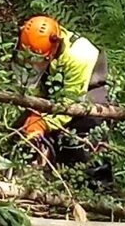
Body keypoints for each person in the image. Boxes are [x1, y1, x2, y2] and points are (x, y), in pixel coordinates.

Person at [16, 14, 114, 184]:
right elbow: (36, 85)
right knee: (20, 127)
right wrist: (34, 113)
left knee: (85, 134)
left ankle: (98, 189)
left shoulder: (79, 56)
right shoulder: (34, 43)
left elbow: (71, 103)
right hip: (60, 88)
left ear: (55, 45)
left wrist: (42, 123)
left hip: (89, 91)